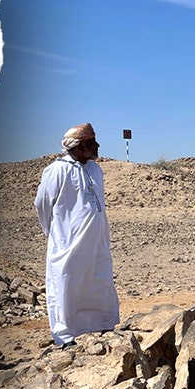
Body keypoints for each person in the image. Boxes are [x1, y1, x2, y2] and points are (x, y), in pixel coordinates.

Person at [34, 122, 119, 347]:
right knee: (66, 283)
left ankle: (101, 324)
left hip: (96, 242)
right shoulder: (57, 170)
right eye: (92, 142)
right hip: (67, 241)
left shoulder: (95, 170)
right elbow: (43, 204)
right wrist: (52, 232)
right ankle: (64, 335)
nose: (97, 146)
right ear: (79, 146)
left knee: (97, 279)